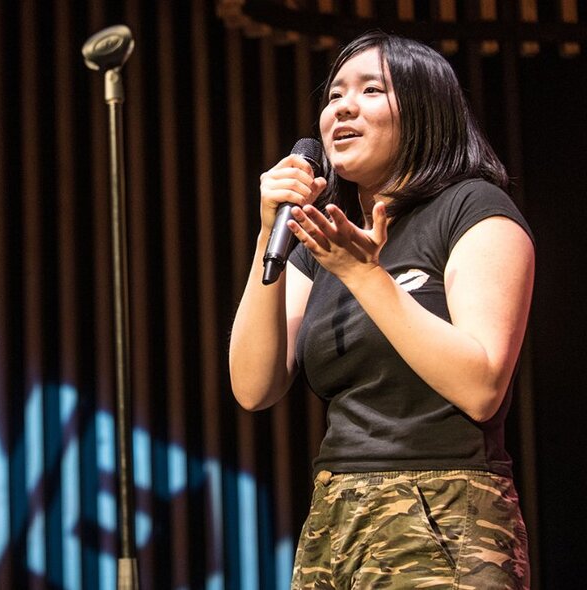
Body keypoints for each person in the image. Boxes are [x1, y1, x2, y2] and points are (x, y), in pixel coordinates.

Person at [228, 31, 533, 589]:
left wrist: (366, 276)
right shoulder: (328, 241)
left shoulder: (473, 209)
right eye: (335, 93)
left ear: (424, 111)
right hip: (336, 514)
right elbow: (253, 386)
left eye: (371, 89)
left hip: (443, 509)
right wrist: (268, 231)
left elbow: (482, 386)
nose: (342, 106)